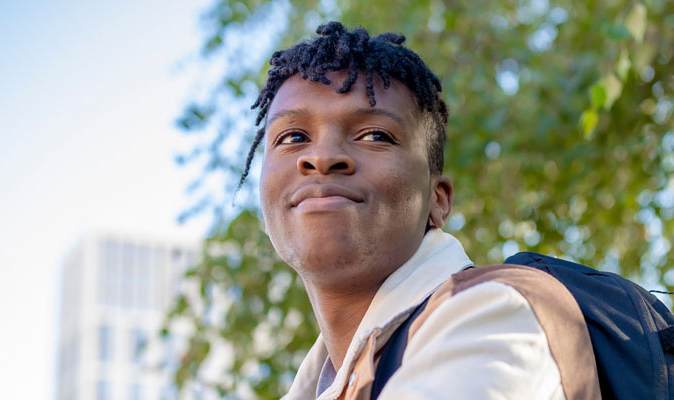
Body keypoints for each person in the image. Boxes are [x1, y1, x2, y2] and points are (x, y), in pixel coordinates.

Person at [245, 22, 598, 400]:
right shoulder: (319, 385)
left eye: (375, 135)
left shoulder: (495, 314)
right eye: (293, 138)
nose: (322, 157)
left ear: (438, 200)